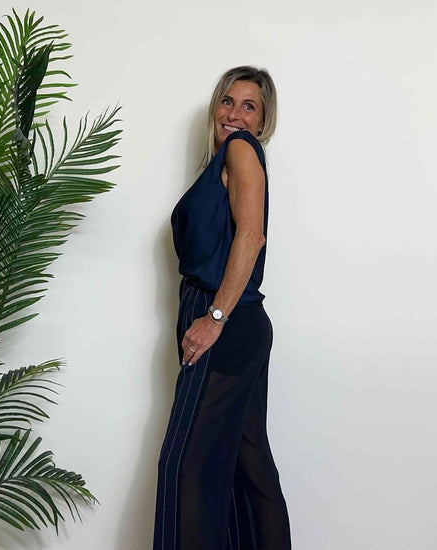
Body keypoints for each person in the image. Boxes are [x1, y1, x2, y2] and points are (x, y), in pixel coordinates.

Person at [152, 66, 291, 550]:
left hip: (226, 321)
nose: (233, 113)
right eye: (227, 101)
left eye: (249, 106)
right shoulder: (224, 160)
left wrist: (213, 318)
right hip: (238, 323)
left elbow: (251, 236)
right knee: (249, 468)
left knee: (186, 465)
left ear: (263, 120)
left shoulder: (241, 149)